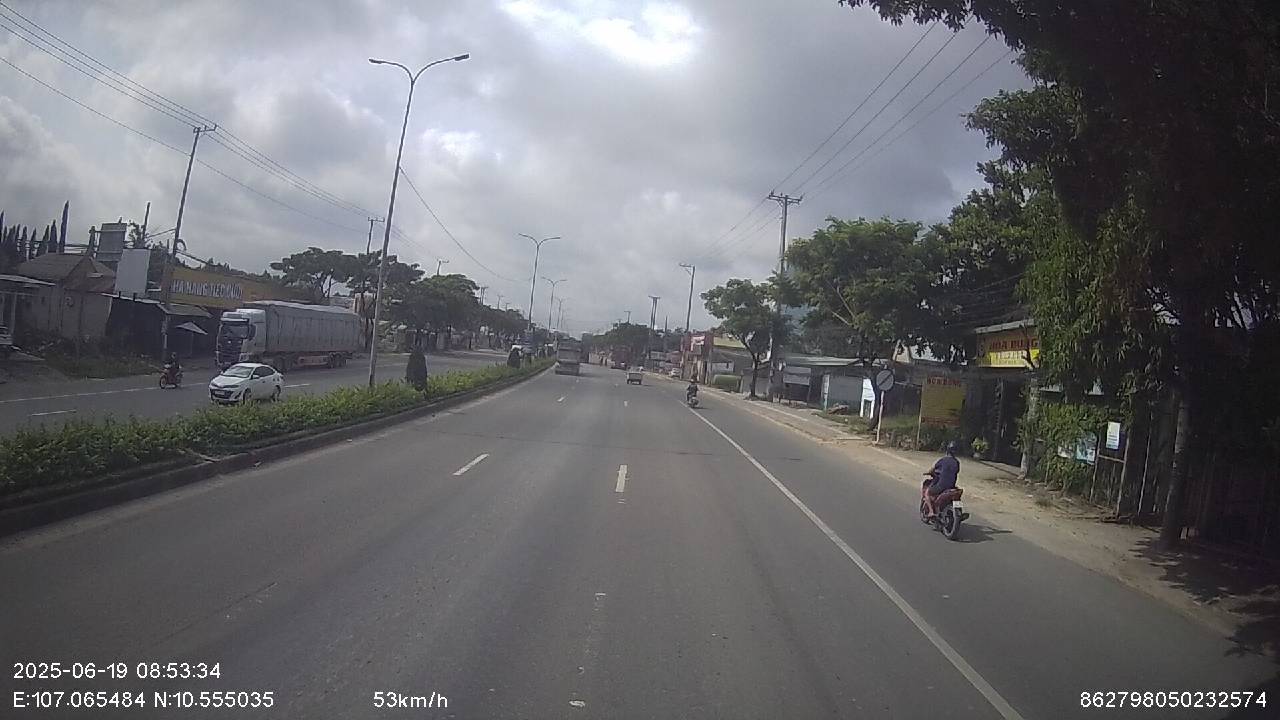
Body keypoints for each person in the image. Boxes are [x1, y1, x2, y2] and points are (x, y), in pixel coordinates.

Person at [923, 441, 961, 518]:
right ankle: (958, 511)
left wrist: (928, 472)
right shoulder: (957, 462)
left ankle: (931, 512)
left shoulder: (943, 460)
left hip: (942, 486)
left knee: (927, 493)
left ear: (947, 450)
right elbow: (955, 471)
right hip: (952, 486)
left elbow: (932, 469)